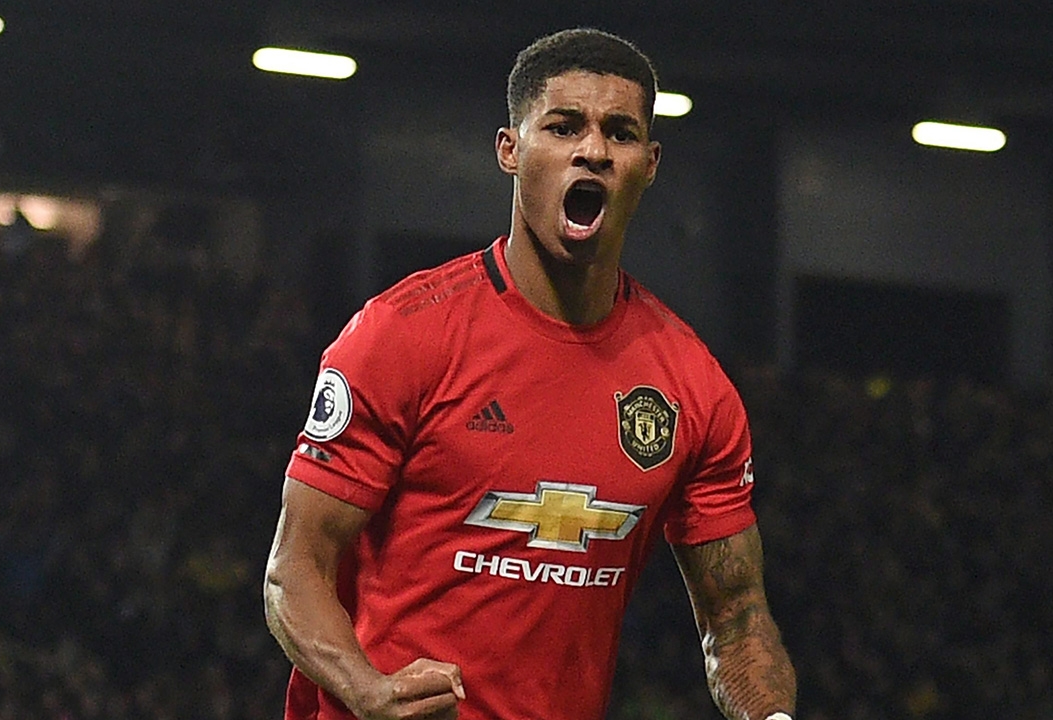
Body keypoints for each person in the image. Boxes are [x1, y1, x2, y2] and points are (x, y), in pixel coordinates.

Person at [264, 27, 797, 720]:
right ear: (510, 150)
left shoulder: (694, 388)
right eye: (564, 126)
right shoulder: (401, 337)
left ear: (650, 163)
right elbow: (294, 570)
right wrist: (368, 690)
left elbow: (737, 617)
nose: (594, 150)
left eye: (621, 133)